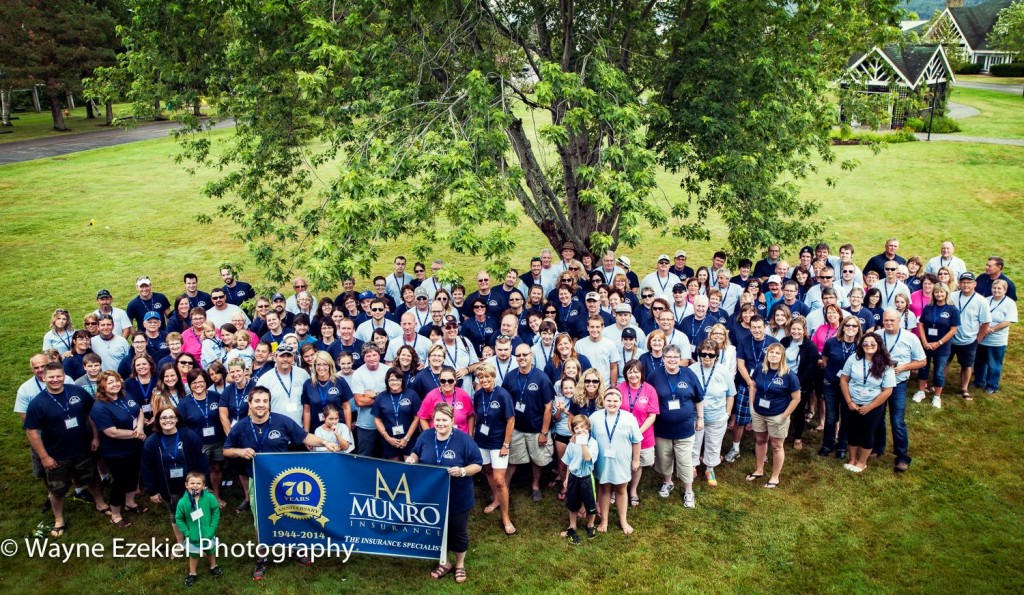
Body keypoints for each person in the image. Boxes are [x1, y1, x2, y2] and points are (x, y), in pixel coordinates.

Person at [223, 386, 338, 580]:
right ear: (249, 404)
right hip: (257, 481)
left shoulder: (282, 421)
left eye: (264, 401)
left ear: (269, 403)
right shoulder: (241, 427)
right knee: (261, 520)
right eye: (257, 401)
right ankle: (262, 557)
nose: (261, 405)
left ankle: (295, 549)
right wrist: (240, 452)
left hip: (284, 482)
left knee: (292, 515)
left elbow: (304, 436)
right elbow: (226, 450)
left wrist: (325, 443)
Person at [24, 362, 110, 537]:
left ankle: (100, 503)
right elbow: (32, 432)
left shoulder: (77, 392)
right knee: (57, 489)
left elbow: (90, 415)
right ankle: (59, 519)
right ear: (43, 377)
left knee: (92, 478)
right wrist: (44, 457)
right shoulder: (37, 403)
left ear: (64, 376)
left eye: (58, 376)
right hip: (57, 454)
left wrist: (95, 436)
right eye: (51, 377)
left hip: (83, 447)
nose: (55, 380)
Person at [406, 403, 483, 584]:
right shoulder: (425, 436)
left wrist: (463, 471)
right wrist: (412, 459)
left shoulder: (464, 440)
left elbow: (477, 464)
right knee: (438, 531)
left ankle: (460, 564)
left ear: (452, 420)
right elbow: (416, 453)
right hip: (432, 496)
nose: (440, 424)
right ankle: (445, 562)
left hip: (458, 495)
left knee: (458, 531)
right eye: (437, 420)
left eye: (444, 420)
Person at [141, 405, 208, 547]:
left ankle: (198, 539)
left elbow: (202, 458)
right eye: (164, 418)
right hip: (167, 487)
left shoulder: (188, 435)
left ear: (177, 419)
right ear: (158, 421)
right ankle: (181, 542)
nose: (168, 420)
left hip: (192, 486)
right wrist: (152, 491)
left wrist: (204, 481)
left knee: (195, 511)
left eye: (171, 417)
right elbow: (146, 467)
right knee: (175, 514)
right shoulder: (152, 442)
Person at [90, 370, 147, 527]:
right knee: (120, 482)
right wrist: (136, 434)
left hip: (134, 446)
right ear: (102, 386)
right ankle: (115, 514)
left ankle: (130, 503)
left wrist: (140, 429)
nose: (115, 384)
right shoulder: (100, 407)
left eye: (116, 381)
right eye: (110, 382)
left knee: (133, 476)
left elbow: (139, 411)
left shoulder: (125, 394)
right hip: (117, 452)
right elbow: (112, 432)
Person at [647, 345, 703, 507]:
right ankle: (668, 482)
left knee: (685, 461)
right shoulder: (654, 376)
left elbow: (699, 398)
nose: (672, 360)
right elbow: (649, 397)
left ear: (680, 359)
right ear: (663, 358)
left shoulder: (688, 374)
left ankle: (688, 491)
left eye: (675, 357)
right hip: (662, 429)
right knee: (664, 458)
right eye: (669, 357)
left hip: (685, 428)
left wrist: (700, 418)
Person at [504, 343, 555, 502]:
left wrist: (544, 432)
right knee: (513, 459)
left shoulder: (541, 377)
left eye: (525, 354)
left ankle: (535, 486)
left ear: (531, 355)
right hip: (517, 428)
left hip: (536, 428)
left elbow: (548, 407)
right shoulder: (510, 376)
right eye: (518, 355)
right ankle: (503, 486)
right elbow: (507, 402)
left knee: (537, 460)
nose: (522, 358)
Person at [746, 343, 801, 488]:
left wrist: (785, 415)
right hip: (758, 412)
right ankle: (759, 470)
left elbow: (796, 398)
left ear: (782, 356)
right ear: (767, 354)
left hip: (777, 415)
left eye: (777, 353)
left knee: (777, 446)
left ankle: (775, 477)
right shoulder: (760, 368)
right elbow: (753, 386)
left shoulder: (789, 375)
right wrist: (751, 405)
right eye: (771, 352)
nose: (774, 355)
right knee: (760, 441)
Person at [840, 335, 896, 472]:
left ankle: (861, 462)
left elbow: (887, 390)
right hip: (852, 403)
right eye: (865, 343)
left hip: (872, 405)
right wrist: (849, 401)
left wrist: (869, 407)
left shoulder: (886, 364)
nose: (868, 345)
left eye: (872, 343)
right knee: (851, 430)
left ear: (879, 345)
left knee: (867, 432)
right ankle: (852, 459)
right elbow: (843, 380)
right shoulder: (853, 358)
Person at [725, 316, 777, 463]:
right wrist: (749, 382)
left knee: (764, 419)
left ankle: (762, 450)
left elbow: (778, 365)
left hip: (766, 388)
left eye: (759, 327)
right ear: (750, 328)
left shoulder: (773, 343)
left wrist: (761, 384)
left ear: (764, 327)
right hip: (746, 385)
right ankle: (735, 448)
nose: (757, 330)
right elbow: (740, 364)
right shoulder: (745, 341)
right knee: (740, 419)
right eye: (754, 327)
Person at [471, 364, 516, 534]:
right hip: (482, 442)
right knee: (488, 470)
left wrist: (505, 444)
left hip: (498, 443)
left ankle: (506, 517)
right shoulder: (478, 395)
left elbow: (511, 421)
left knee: (499, 480)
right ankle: (496, 499)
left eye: (487, 376)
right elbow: (476, 416)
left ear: (493, 376)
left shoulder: (503, 395)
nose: (484, 380)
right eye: (480, 377)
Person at [590, 388, 642, 533]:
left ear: (621, 401)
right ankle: (604, 521)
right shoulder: (595, 417)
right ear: (603, 401)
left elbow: (636, 440)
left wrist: (636, 460)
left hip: (622, 460)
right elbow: (589, 439)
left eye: (615, 401)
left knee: (621, 489)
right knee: (605, 488)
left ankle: (623, 521)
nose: (612, 403)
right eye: (609, 400)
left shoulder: (629, 418)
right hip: (602, 460)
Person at [688, 340, 734, 487]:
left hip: (717, 415)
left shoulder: (723, 371)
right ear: (699, 354)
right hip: (696, 416)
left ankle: (710, 469)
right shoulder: (691, 370)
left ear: (716, 356)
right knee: (694, 443)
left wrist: (727, 414)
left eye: (711, 354)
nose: (707, 357)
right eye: (703, 354)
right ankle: (692, 467)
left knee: (714, 444)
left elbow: (731, 394)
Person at [180, 369, 226, 508]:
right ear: (189, 384)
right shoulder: (184, 403)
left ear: (206, 382)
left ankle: (216, 495)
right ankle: (198, 501)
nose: (198, 385)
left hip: (218, 440)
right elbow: (181, 426)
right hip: (198, 444)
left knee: (216, 468)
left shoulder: (216, 397)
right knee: (198, 472)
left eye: (201, 381)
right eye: (194, 382)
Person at [819, 316, 862, 459]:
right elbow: (825, 361)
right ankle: (827, 444)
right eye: (848, 325)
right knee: (831, 416)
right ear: (842, 327)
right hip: (831, 384)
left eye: (854, 326)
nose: (851, 328)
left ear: (858, 329)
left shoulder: (860, 346)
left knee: (846, 416)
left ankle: (842, 445)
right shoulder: (832, 343)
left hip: (850, 387)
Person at [914, 283, 959, 409]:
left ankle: (937, 396)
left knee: (939, 372)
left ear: (946, 293)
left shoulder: (952, 309)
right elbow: (921, 324)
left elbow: (953, 330)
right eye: (936, 292)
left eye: (941, 292)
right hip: (926, 344)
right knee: (923, 368)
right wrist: (923, 341)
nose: (939, 294)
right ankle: (921, 391)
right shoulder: (929, 307)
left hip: (942, 347)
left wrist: (939, 343)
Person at [175, 471, 222, 587]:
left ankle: (213, 566)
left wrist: (212, 529)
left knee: (211, 550)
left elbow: (216, 512)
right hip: (193, 536)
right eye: (192, 483)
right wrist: (187, 532)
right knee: (193, 554)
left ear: (204, 485)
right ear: (186, 485)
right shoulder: (183, 502)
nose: (195, 486)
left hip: (208, 534)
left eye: (198, 483)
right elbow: (179, 519)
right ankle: (192, 573)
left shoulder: (210, 498)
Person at [779, 317, 819, 452]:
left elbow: (810, 369)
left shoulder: (810, 346)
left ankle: (797, 437)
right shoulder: (784, 342)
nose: (795, 332)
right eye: (793, 329)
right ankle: (779, 434)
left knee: (799, 410)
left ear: (804, 330)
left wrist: (796, 385)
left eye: (798, 329)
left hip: (800, 382)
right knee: (781, 408)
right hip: (782, 380)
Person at [949, 272, 991, 400]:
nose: (965, 285)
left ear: (974, 284)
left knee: (967, 365)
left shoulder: (981, 301)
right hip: (949, 338)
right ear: (959, 283)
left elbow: (985, 322)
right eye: (963, 282)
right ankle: (938, 384)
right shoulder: (952, 296)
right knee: (944, 362)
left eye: (968, 282)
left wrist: (978, 339)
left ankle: (964, 388)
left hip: (969, 339)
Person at [561, 414, 599, 545]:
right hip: (574, 478)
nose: (580, 430)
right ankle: (572, 526)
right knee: (572, 504)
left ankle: (590, 525)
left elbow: (588, 458)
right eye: (576, 428)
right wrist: (567, 478)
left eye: (582, 427)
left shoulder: (593, 443)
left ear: (588, 427)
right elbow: (568, 462)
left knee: (590, 504)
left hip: (587, 478)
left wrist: (583, 443)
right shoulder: (571, 444)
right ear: (573, 431)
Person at [975, 279, 1017, 394]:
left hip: (997, 340)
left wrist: (991, 329)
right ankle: (979, 381)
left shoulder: (1010, 303)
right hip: (982, 338)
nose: (996, 290)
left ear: (1005, 290)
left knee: (994, 364)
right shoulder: (985, 300)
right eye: (994, 288)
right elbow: (977, 315)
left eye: (999, 288)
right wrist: (983, 328)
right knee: (979, 362)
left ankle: (992, 386)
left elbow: (1008, 321)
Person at [255, 343, 309, 426]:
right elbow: (257, 405)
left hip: (298, 428)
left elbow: (308, 404)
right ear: (275, 357)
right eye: (282, 356)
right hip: (275, 429)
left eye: (288, 356)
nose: (285, 359)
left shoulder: (303, 374)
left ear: (293, 358)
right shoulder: (265, 379)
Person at [374, 368, 422, 460]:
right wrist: (388, 438)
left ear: (402, 380)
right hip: (390, 439)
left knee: (410, 467)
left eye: (398, 379)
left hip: (410, 438)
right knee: (394, 469)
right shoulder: (381, 397)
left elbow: (417, 418)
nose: (395, 382)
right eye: (391, 380)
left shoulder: (412, 394)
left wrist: (406, 438)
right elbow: (377, 419)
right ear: (387, 381)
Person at [350, 344, 389, 457]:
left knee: (387, 457)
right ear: (363, 357)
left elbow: (393, 396)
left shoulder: (388, 371)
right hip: (366, 425)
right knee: (365, 457)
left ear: (379, 355)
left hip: (386, 422)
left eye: (374, 355)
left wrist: (374, 395)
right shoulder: (358, 373)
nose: (372, 358)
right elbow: (359, 402)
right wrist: (383, 397)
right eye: (368, 355)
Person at [301, 351, 353, 432]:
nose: (321, 368)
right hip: (316, 429)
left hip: (338, 428)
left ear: (330, 365)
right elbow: (307, 410)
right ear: (314, 366)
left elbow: (346, 407)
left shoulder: (339, 381)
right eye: (318, 364)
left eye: (325, 364)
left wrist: (348, 430)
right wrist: (306, 433)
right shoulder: (308, 384)